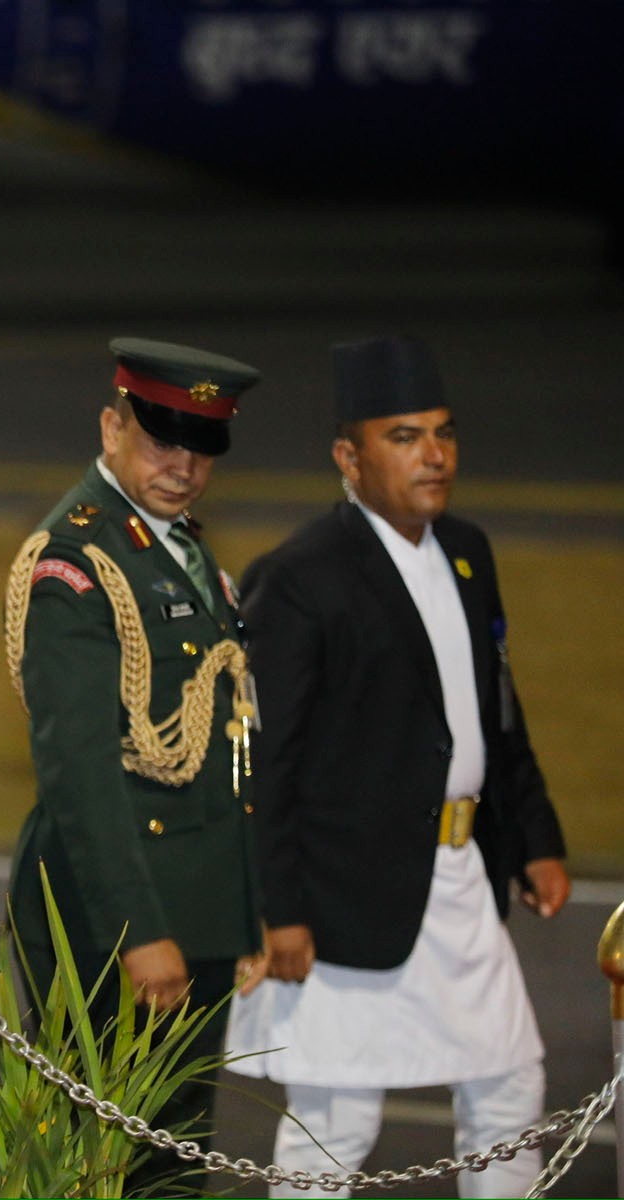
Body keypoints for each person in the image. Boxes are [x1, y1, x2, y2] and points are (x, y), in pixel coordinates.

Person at [224, 335, 568, 1197]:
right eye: (405, 437)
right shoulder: (300, 577)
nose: (434, 455)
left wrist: (535, 837)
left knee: (510, 1087)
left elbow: (496, 710)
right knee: (334, 1123)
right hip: (346, 895)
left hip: (458, 879)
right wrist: (279, 910)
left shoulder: (467, 551)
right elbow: (266, 761)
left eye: (444, 433)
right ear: (349, 457)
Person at [2, 337, 267, 1184]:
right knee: (103, 1162)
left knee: (173, 1157)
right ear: (111, 429)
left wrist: (244, 910)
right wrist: (139, 929)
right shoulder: (77, 562)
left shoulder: (174, 547)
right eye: (160, 442)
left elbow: (228, 740)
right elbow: (77, 770)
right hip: (116, 913)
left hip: (193, 899)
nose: (182, 467)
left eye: (202, 448)